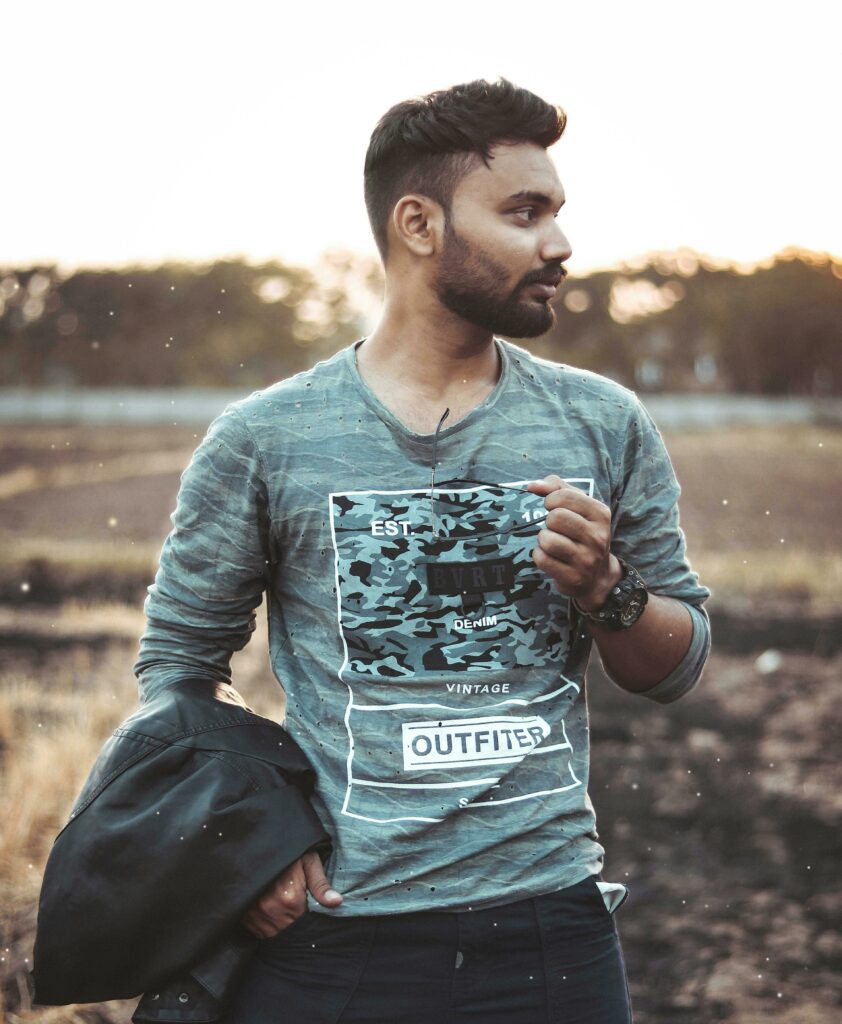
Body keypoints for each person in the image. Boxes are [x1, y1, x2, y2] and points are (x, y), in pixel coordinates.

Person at [135, 77, 711, 1023]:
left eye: (559, 212)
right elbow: (179, 666)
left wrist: (609, 589)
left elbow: (678, 666)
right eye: (525, 212)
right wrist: (250, 842)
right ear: (418, 224)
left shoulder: (603, 422)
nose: (559, 245)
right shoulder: (266, 438)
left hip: (551, 937)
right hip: (329, 935)